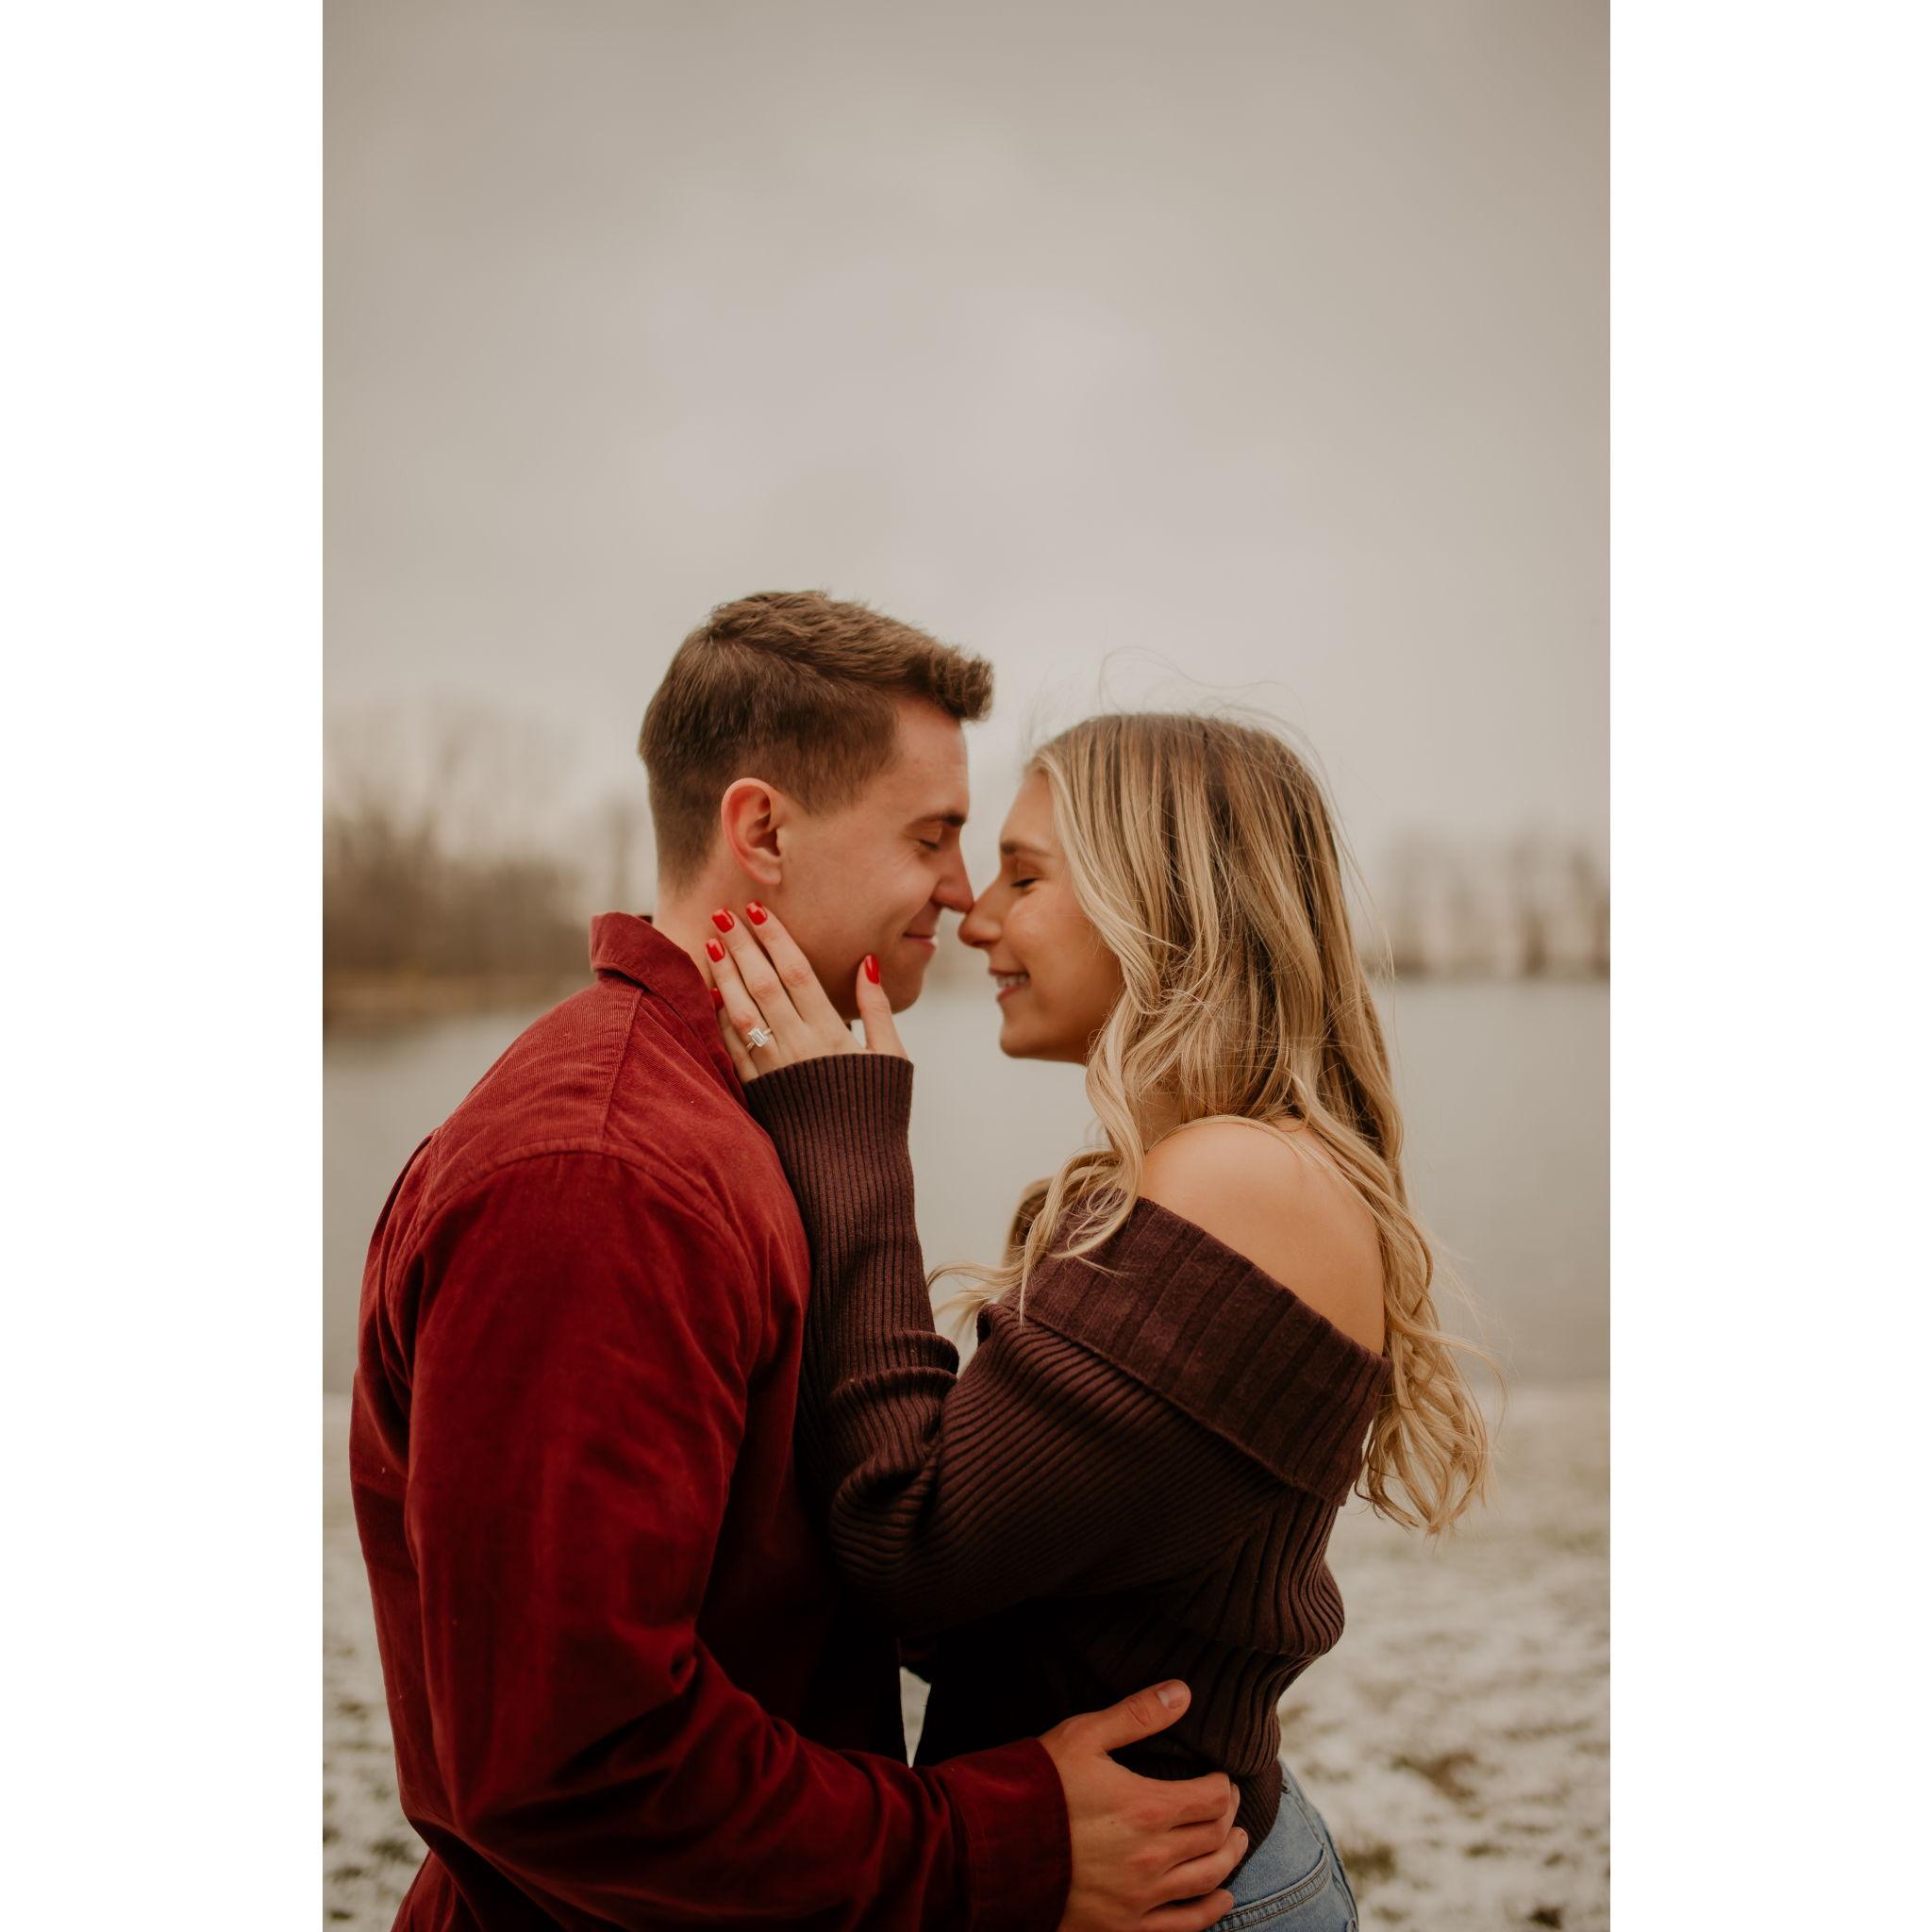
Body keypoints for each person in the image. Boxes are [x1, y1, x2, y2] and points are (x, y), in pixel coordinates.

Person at [349, 594, 1249, 1932]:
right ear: (762, 832)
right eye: (931, 837)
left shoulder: (733, 1113)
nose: (962, 893)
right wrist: (999, 1844)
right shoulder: (598, 1177)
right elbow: (566, 1767)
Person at [702, 710, 1496, 1931]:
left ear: (1164, 903)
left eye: (1023, 878)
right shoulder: (1214, 1172)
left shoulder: (1243, 1183)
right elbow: (1012, 1573)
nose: (976, 919)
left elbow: (909, 1550)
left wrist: (849, 1139)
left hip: (1180, 1895)